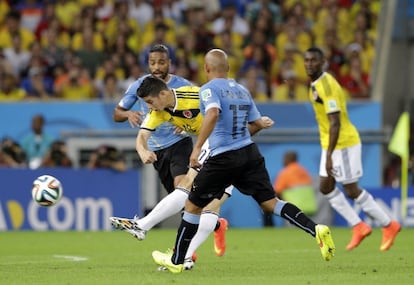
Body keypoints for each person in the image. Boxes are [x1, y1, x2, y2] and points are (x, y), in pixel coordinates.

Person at [151, 48, 335, 274]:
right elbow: (257, 124)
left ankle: (177, 260)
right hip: (249, 153)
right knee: (271, 202)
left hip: (222, 158)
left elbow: (213, 114)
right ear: (227, 69)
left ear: (207, 69)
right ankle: (315, 229)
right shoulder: (242, 90)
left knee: (192, 205)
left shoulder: (207, 90)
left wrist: (197, 148)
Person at [110, 44, 228, 257]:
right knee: (187, 201)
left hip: (183, 143)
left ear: (169, 63)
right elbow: (118, 114)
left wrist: (183, 120)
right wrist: (129, 118)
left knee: (183, 189)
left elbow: (210, 108)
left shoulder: (185, 87)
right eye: (152, 62)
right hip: (158, 150)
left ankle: (181, 252)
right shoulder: (142, 87)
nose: (156, 66)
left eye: (161, 62)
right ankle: (213, 227)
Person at [303, 47, 401, 251]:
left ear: (323, 63)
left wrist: (329, 156)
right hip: (329, 144)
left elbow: (335, 122)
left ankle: (389, 224)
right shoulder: (315, 84)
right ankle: (359, 226)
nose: (309, 64)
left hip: (343, 144)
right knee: (326, 187)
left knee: (351, 189)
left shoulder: (327, 86)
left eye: (314, 60)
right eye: (306, 60)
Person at [273, 151, 317, 217]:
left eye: (284, 158)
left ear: (288, 159)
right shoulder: (303, 170)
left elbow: (277, 191)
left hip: (293, 207)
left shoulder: (285, 172)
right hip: (309, 205)